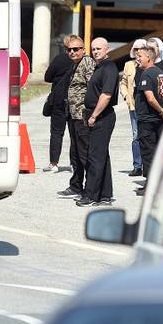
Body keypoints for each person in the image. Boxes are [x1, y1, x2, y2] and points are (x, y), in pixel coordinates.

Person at [77, 38, 119, 207]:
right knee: (102, 156)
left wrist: (93, 116)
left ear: (107, 49)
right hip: (96, 114)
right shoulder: (99, 67)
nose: (95, 51)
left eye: (99, 49)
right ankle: (105, 195)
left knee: (94, 157)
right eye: (93, 49)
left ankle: (90, 195)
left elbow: (106, 95)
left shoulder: (109, 67)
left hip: (102, 116)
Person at [57, 35, 95, 199]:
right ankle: (76, 186)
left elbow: (93, 88)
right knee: (75, 153)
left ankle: (89, 188)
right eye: (69, 50)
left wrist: (91, 113)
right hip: (73, 115)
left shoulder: (87, 63)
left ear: (83, 49)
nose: (72, 52)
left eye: (76, 49)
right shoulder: (74, 65)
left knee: (84, 153)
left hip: (83, 116)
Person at [135, 47, 163, 185]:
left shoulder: (147, 74)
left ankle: (150, 185)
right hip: (159, 120)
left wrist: (162, 112)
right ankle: (159, 182)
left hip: (148, 120)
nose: (137, 59)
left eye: (140, 56)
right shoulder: (160, 73)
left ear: (148, 58)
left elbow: (150, 98)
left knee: (148, 153)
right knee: (159, 152)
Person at [42, 38, 75, 173]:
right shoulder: (82, 60)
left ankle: (54, 163)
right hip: (75, 100)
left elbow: (47, 77)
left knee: (56, 133)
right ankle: (74, 163)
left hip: (58, 100)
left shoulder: (59, 59)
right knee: (75, 134)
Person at [120, 39, 147, 177]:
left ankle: (148, 165)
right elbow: (123, 82)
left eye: (141, 48)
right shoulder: (129, 65)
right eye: (136, 49)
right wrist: (125, 96)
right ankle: (137, 165)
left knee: (147, 136)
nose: (138, 51)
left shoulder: (148, 65)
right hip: (134, 106)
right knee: (136, 136)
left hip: (147, 106)